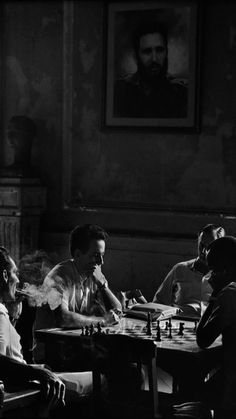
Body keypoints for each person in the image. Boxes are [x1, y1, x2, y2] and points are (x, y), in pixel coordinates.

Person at [0, 246, 65, 412]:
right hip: (19, 391)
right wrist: (37, 373)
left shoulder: (4, 311)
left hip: (20, 382)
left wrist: (13, 317)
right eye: (14, 272)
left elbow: (8, 351)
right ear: (5, 276)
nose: (18, 279)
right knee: (99, 381)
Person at [40, 223, 122, 329]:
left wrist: (103, 286)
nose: (101, 262)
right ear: (78, 254)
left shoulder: (94, 274)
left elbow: (117, 312)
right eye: (96, 255)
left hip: (76, 342)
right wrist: (103, 321)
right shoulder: (57, 278)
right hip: (52, 344)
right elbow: (63, 319)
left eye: (102, 255)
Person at [196, 236, 236, 419]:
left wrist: (215, 294)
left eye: (214, 269)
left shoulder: (229, 294)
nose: (211, 275)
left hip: (232, 387)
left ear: (224, 269)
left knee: (196, 391)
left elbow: (203, 339)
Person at [114, 21, 188, 118]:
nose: (154, 59)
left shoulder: (182, 93)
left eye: (160, 50)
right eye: (147, 51)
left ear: (166, 52)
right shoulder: (119, 90)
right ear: (136, 57)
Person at [153, 224, 226, 317]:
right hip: (178, 324)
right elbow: (159, 302)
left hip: (209, 326)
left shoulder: (224, 275)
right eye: (201, 245)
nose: (203, 251)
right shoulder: (180, 269)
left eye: (209, 247)